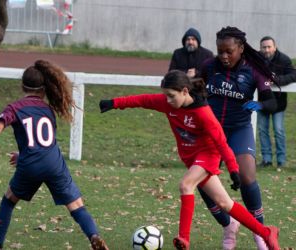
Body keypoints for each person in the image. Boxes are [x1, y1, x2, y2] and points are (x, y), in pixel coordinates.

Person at [99, 70, 279, 250]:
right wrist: (114, 103)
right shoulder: (168, 104)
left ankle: (184, 238)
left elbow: (221, 143)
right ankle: (266, 232)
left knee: (186, 185)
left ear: (185, 91)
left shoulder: (203, 113)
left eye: (171, 96)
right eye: (166, 96)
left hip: (208, 155)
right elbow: (142, 100)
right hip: (192, 159)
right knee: (225, 203)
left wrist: (233, 170)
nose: (168, 100)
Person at [0, 60, 109, 250]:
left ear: (22, 86)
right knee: (76, 205)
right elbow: (44, 141)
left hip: (31, 165)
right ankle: (94, 236)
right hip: (54, 163)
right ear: (44, 90)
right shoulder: (48, 110)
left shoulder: (15, 107)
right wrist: (23, 155)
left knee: (8, 200)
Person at [200, 27, 278, 250]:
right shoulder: (209, 66)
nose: (224, 56)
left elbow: (271, 102)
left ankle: (260, 233)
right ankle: (228, 226)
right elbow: (195, 90)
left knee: (247, 177)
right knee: (203, 181)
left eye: (229, 51)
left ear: (241, 49)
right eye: (220, 51)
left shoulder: (254, 71)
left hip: (239, 130)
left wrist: (260, 104)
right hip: (212, 132)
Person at [257, 36, 296, 168]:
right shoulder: (256, 59)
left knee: (279, 131)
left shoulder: (284, 59)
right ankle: (266, 160)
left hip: (278, 103)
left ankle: (281, 160)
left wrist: (277, 80)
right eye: (264, 47)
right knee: (262, 130)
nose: (266, 50)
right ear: (260, 48)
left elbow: (293, 75)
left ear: (275, 47)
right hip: (262, 101)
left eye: (269, 47)